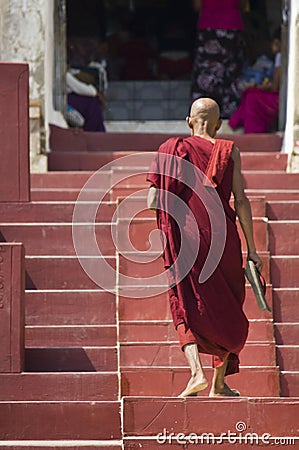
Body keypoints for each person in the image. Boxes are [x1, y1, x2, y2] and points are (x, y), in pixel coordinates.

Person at [147, 98, 262, 397]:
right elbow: (242, 201)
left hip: (188, 239)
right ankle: (219, 382)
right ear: (219, 124)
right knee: (226, 303)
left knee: (185, 301)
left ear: (188, 121)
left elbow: (151, 201)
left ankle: (196, 372)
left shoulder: (171, 149)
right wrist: (252, 250)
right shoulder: (229, 150)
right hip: (224, 240)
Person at [191, 0, 248, 118]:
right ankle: (230, 113)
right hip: (232, 25)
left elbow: (197, 6)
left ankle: (203, 113)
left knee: (208, 71)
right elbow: (244, 6)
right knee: (231, 71)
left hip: (209, 26)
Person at [229, 30, 281, 133]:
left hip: (279, 99)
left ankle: (253, 131)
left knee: (251, 96)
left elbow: (275, 87)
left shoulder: (281, 56)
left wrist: (259, 86)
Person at [66, 68, 106, 132]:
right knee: (93, 103)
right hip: (68, 103)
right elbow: (90, 91)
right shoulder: (66, 75)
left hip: (75, 104)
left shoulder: (70, 73)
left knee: (94, 104)